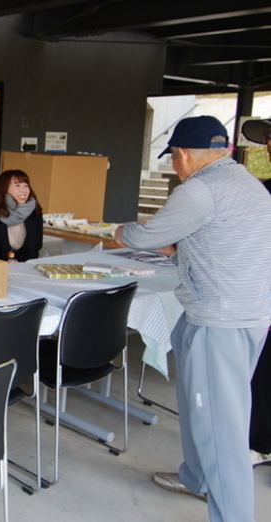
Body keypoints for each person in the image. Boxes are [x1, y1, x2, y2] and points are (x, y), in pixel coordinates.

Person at [114, 116, 271, 521]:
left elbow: (145, 236)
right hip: (244, 315)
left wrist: (119, 231)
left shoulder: (200, 190)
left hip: (217, 321)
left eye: (174, 159)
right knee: (201, 408)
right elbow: (226, 244)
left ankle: (233, 514)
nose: (174, 167)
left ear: (183, 153)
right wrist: (182, 252)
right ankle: (196, 477)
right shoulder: (250, 185)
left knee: (221, 428)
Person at [241, 116, 271, 467]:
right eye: (267, 138)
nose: (267, 145)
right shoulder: (261, 189)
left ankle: (261, 442)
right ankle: (260, 440)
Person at [0, 169, 43, 262]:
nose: (23, 190)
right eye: (17, 186)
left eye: (26, 186)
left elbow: (36, 247)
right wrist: (4, 263)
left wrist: (22, 263)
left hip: (24, 265)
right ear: (4, 188)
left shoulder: (34, 212)